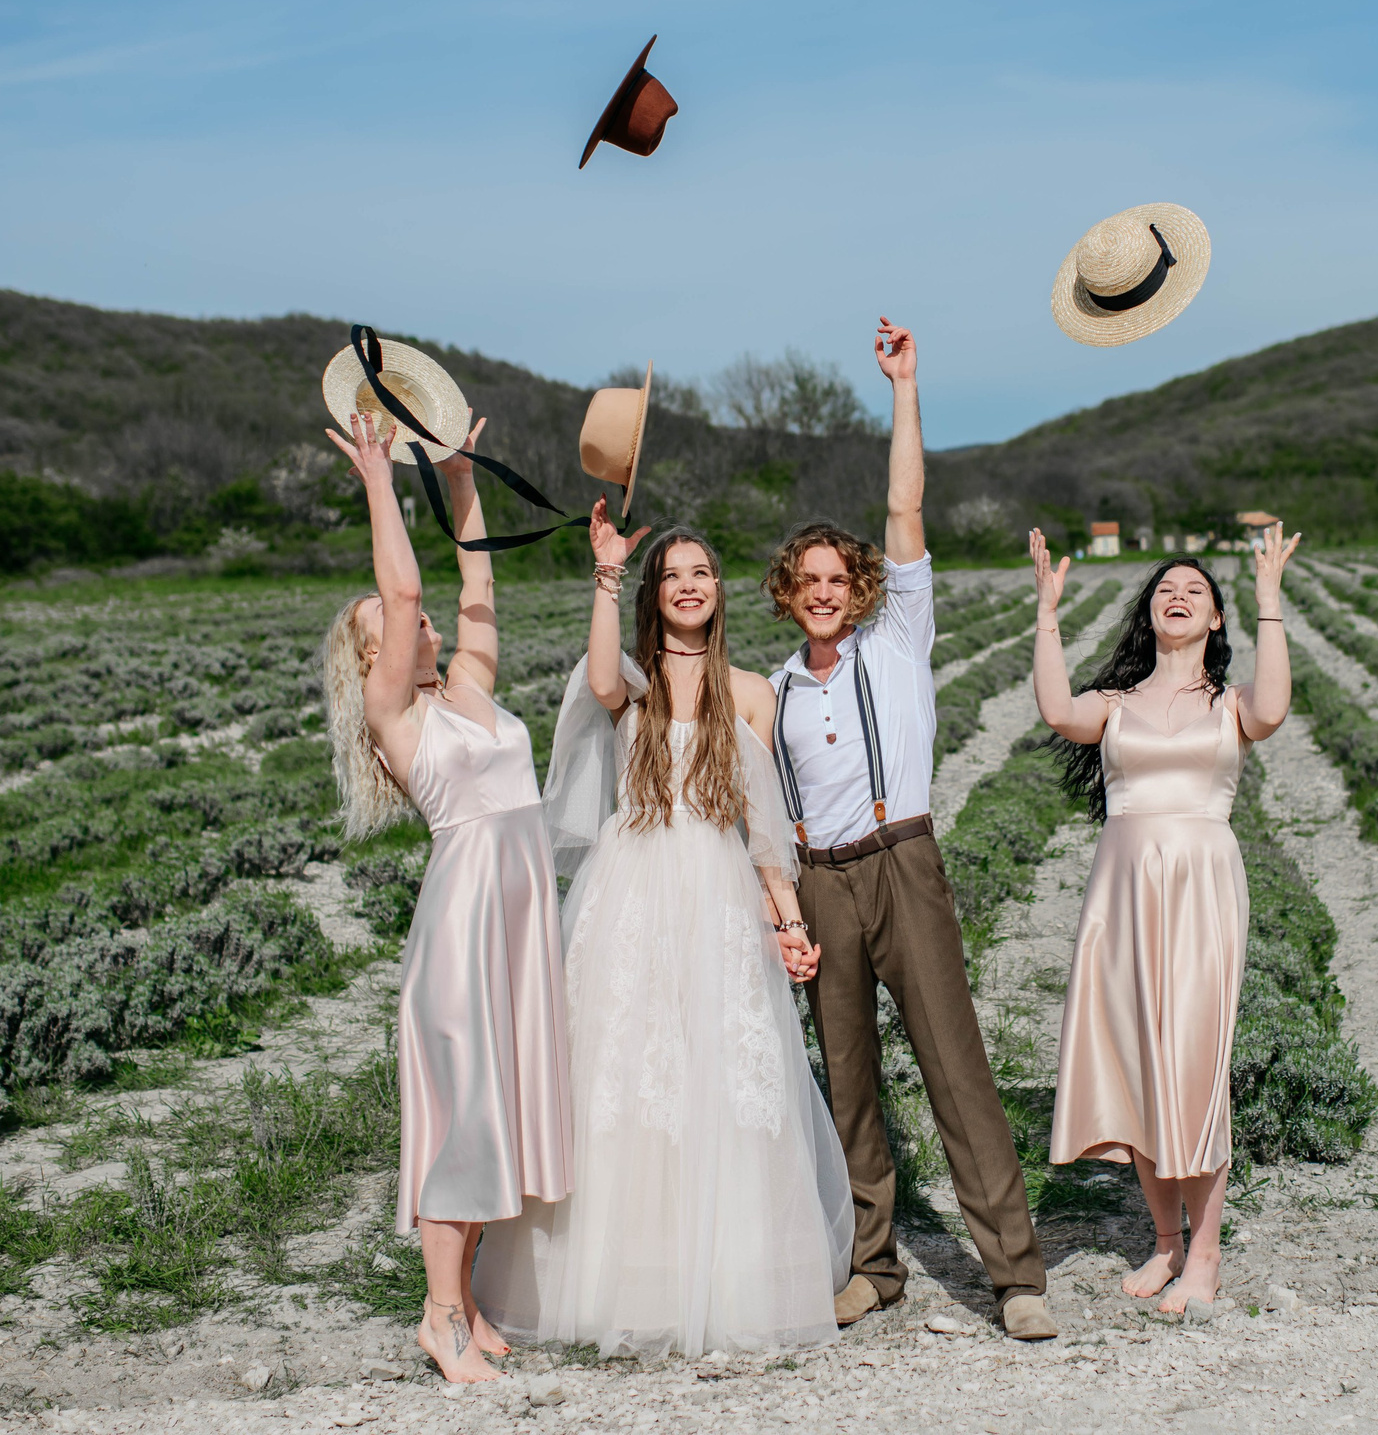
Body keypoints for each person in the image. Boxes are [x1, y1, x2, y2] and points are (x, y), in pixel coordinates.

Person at [472, 512, 853, 1359]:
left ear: (719, 592)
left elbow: (761, 833)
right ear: (657, 593)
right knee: (628, 1072)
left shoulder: (749, 691)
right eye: (673, 573)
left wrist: (788, 924)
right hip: (635, 891)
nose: (688, 583)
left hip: (717, 894)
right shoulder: (634, 685)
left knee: (720, 1075)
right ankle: (624, 1276)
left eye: (702, 572)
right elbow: (599, 673)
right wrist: (606, 576)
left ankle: (725, 1271)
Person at [760, 317, 1056, 1342]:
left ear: (864, 586)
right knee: (847, 1079)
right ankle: (870, 1264)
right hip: (820, 880)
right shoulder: (776, 689)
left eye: (841, 577)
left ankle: (1015, 1273)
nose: (827, 592)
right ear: (790, 596)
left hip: (904, 860)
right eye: (810, 582)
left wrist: (903, 387)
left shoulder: (899, 637)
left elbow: (903, 500)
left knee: (953, 1064)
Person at [320, 409, 572, 1385]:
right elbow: (408, 580)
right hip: (466, 925)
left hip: (514, 915)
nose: (421, 624)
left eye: (417, 625)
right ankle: (438, 1316)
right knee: (464, 1115)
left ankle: (467, 1302)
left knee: (494, 1107)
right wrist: (381, 478)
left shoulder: (467, 686)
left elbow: (472, 584)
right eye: (398, 627)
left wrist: (458, 479)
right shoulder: (396, 714)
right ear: (372, 657)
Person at [1029, 523, 1301, 1315]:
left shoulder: (1231, 702)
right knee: (1141, 1065)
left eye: (1195, 592)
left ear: (1216, 619)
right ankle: (1165, 1242)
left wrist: (1269, 600)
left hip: (1203, 887)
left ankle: (1207, 1252)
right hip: (1122, 892)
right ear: (1148, 614)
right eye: (1164, 590)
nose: (1177, 597)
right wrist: (1047, 614)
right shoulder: (1114, 704)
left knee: (1193, 1064)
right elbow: (1055, 707)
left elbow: (1276, 708)